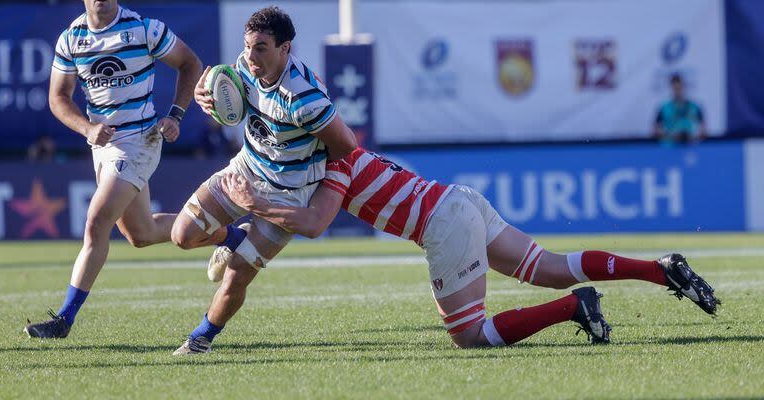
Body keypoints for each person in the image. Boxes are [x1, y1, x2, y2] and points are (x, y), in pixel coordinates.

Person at [200, 147, 720, 352]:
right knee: (551, 267)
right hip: (457, 198)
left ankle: (574, 309)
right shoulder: (337, 147)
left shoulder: (327, 160)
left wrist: (245, 212)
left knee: (469, 337)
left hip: (442, 222)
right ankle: (659, 269)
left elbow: (308, 220)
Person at [24, 0, 204, 339]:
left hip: (139, 140)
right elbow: (58, 98)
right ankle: (226, 232)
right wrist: (87, 129)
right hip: (103, 145)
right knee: (140, 233)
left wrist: (175, 115)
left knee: (96, 222)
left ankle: (64, 320)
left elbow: (191, 64)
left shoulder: (143, 29)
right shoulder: (71, 38)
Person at [170, 6, 357, 354]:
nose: (251, 57)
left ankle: (200, 339)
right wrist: (203, 98)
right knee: (182, 236)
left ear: (285, 49)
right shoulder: (243, 66)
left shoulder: (304, 99)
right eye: (248, 46)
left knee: (237, 273)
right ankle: (233, 236)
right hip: (245, 170)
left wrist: (306, 175)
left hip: (287, 195)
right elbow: (228, 104)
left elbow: (346, 144)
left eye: (261, 48)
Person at [654, 73, 707, 145]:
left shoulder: (695, 107)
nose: (677, 91)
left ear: (684, 87)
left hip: (690, 147)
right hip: (670, 147)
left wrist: (691, 137)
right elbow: (656, 130)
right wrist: (673, 136)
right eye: (675, 88)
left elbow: (703, 131)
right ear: (671, 88)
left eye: (679, 88)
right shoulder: (664, 108)